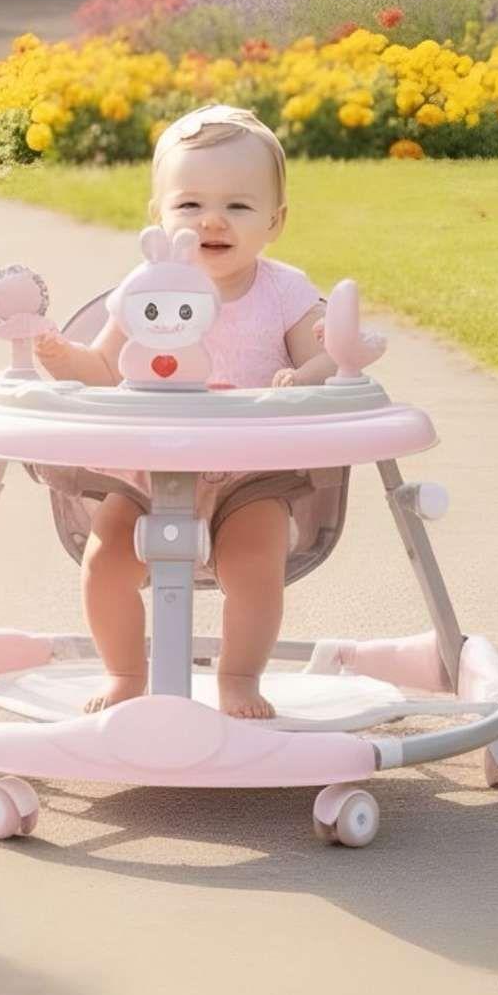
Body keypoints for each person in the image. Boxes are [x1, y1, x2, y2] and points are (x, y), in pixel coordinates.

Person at [35, 104, 334, 719]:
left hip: (249, 473)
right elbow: (103, 368)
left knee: (254, 568)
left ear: (275, 221)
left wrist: (306, 374)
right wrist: (62, 357)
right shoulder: (147, 289)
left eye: (238, 206)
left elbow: (329, 360)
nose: (212, 221)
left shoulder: (284, 291)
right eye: (190, 204)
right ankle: (125, 673)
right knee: (106, 562)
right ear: (160, 216)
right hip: (146, 471)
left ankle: (239, 677)